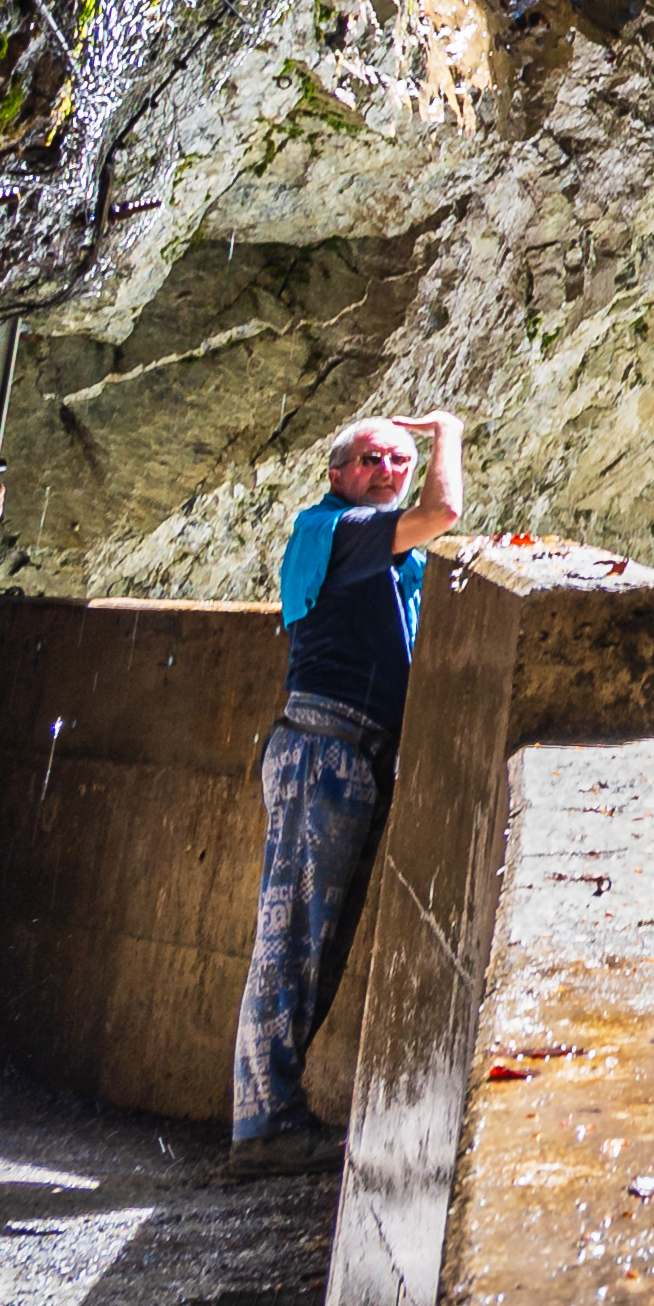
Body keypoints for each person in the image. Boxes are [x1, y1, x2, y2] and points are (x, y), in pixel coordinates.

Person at [229, 408, 457, 1166]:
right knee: (292, 938)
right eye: (371, 460)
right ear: (338, 474)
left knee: (315, 945)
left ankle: (274, 1116)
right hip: (322, 751)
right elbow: (443, 512)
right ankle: (262, 1124)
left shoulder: (376, 551)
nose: (388, 470)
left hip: (353, 753)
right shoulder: (338, 527)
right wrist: (444, 433)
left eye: (399, 458)